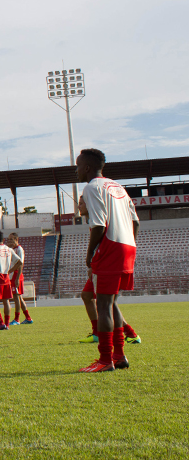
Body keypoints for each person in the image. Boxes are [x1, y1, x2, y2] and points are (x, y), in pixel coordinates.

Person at [75, 148, 139, 373]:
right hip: (127, 246)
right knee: (111, 303)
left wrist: (90, 254)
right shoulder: (118, 186)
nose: (76, 171)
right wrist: (129, 244)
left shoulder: (92, 187)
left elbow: (99, 225)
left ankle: (105, 360)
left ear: (87, 168)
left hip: (110, 246)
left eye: (78, 166)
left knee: (102, 305)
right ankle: (119, 356)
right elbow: (135, 221)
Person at [76, 196, 141, 345]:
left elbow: (101, 240)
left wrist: (92, 261)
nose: (79, 207)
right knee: (87, 296)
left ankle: (130, 334)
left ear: (90, 204)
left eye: (81, 203)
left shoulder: (99, 218)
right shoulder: (93, 218)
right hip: (101, 262)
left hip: (105, 264)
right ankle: (98, 333)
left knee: (107, 303)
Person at [0, 231, 22, 330]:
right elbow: (19, 262)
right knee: (6, 300)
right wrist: (10, 271)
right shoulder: (9, 249)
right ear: (3, 240)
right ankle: (7, 324)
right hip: (6, 278)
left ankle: (0, 322)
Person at [6, 232, 33, 325]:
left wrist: (17, 278)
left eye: (11, 239)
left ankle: (17, 319)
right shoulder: (11, 249)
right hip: (12, 276)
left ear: (16, 240)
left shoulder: (19, 249)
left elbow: (20, 264)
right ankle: (28, 318)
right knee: (19, 298)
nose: (9, 241)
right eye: (8, 239)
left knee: (16, 298)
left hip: (16, 275)